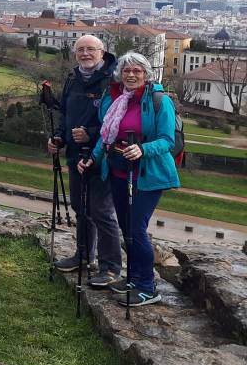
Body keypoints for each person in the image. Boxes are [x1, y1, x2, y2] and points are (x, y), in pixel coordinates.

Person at [78, 51, 180, 307]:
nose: (131, 75)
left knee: (136, 229)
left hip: (147, 174)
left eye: (137, 71)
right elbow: (107, 135)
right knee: (126, 229)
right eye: (127, 71)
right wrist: (94, 157)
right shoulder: (119, 99)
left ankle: (148, 287)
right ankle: (134, 277)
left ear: (146, 74)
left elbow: (167, 141)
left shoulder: (159, 101)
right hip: (119, 172)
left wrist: (143, 149)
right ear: (120, 75)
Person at [48, 35, 123, 288]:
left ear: (103, 52)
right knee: (81, 207)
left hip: (102, 155)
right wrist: (59, 137)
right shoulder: (72, 79)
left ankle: (110, 267)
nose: (85, 53)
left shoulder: (113, 80)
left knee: (101, 211)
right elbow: (65, 113)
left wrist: (91, 132)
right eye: (80, 49)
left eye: (91, 49)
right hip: (75, 154)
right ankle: (83, 255)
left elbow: (118, 119)